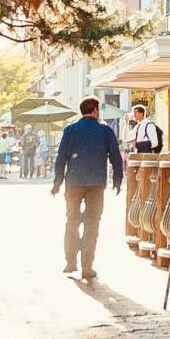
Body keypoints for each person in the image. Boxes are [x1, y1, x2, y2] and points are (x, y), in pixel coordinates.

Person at [51, 97, 127, 280]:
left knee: (72, 221)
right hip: (96, 184)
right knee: (92, 223)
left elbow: (61, 158)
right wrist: (117, 180)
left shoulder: (70, 130)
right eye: (98, 109)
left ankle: (70, 261)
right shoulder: (105, 131)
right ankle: (87, 265)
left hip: (73, 183)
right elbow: (116, 157)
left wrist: (57, 183)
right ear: (94, 110)